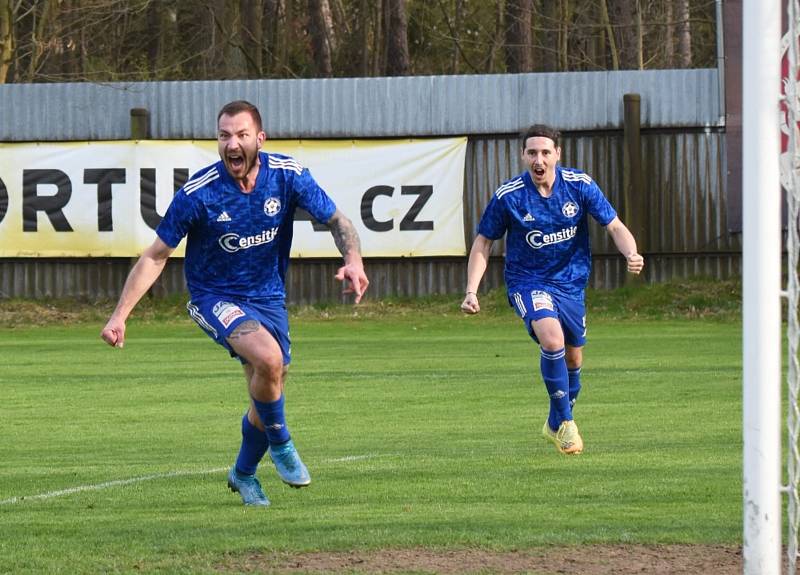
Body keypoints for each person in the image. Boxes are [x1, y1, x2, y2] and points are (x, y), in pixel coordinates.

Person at [101, 100, 369, 506]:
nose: (232, 144)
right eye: (224, 135)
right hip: (215, 297)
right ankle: (282, 444)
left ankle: (243, 474)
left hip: (269, 298)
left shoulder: (287, 176)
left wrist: (353, 261)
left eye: (241, 135)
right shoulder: (199, 193)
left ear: (259, 138)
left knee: (267, 390)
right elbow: (156, 255)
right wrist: (120, 316)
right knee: (269, 360)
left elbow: (338, 221)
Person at [460, 124, 643, 455]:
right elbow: (484, 242)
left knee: (573, 357)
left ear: (558, 154)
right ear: (523, 156)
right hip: (527, 281)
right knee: (552, 338)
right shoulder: (509, 196)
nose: (538, 159)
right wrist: (472, 289)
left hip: (571, 283)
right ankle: (568, 423)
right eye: (532, 152)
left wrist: (631, 253)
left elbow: (614, 225)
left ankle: (554, 422)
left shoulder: (579, 186)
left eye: (545, 152)